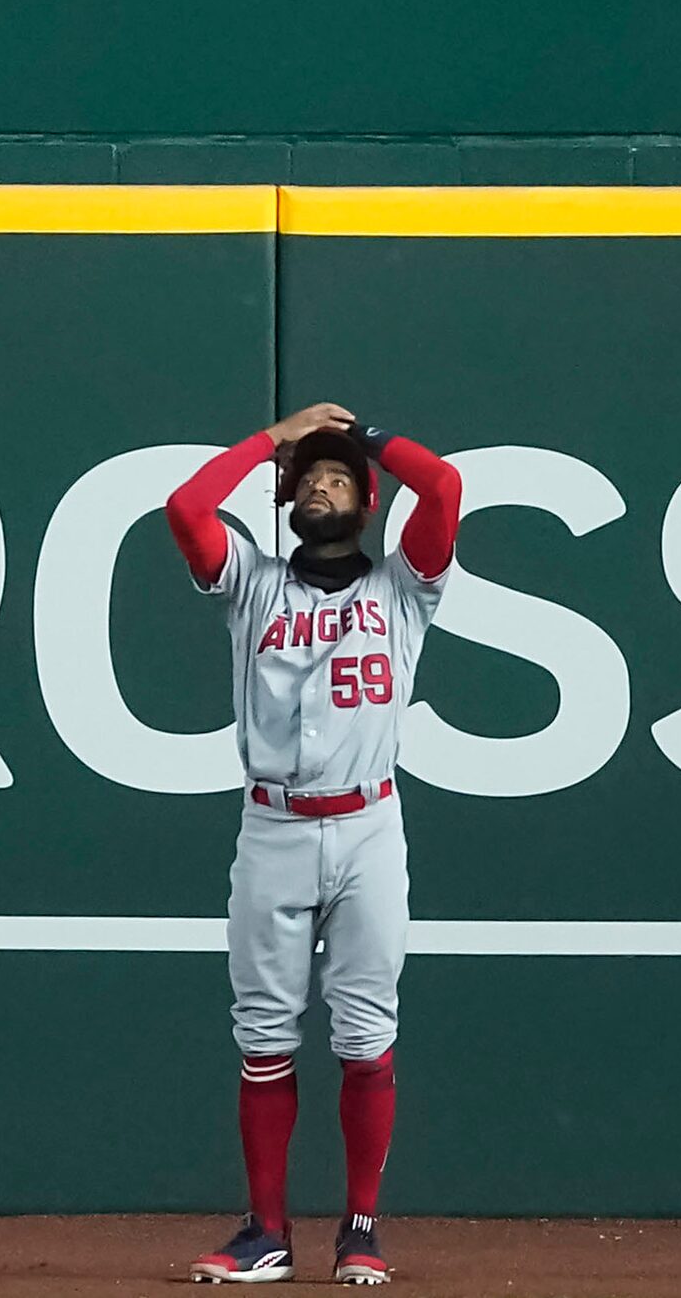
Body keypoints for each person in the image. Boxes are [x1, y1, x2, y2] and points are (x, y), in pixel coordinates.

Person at [167, 405, 461, 1289]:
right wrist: (274, 441)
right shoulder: (252, 585)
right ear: (288, 499)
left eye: (338, 480)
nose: (319, 486)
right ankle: (265, 1230)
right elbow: (185, 511)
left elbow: (442, 485)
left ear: (366, 504)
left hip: (370, 825)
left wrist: (363, 437)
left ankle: (360, 1227)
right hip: (273, 824)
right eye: (308, 479)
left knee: (366, 1036)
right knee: (262, 1036)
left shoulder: (403, 588)